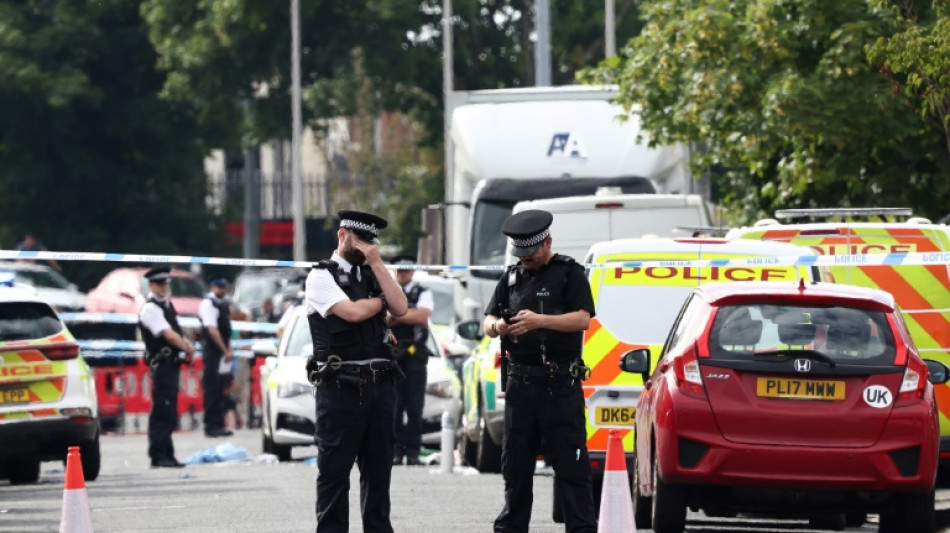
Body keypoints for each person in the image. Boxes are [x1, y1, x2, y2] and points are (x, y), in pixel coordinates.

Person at [483, 209, 597, 533]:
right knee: (515, 470)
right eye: (520, 254)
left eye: (530, 254)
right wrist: (500, 326)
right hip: (521, 386)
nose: (525, 260)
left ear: (547, 243)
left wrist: (541, 321)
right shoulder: (512, 277)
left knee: (571, 469)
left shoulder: (569, 273)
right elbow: (487, 322)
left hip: (558, 385)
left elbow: (582, 319)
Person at [305, 210, 408, 533]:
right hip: (341, 388)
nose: (363, 247)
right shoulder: (321, 276)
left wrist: (378, 264)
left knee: (378, 473)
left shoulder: (374, 273)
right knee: (334, 474)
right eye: (358, 240)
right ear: (342, 235)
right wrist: (379, 304)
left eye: (369, 241)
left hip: (380, 386)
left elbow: (401, 308)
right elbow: (350, 313)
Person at [138, 266, 196, 468]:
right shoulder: (151, 308)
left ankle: (167, 453)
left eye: (166, 283)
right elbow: (168, 334)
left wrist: (186, 347)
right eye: (160, 284)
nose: (164, 287)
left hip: (171, 365)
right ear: (151, 285)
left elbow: (175, 331)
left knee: (169, 410)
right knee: (162, 410)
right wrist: (187, 347)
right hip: (162, 365)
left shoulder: (165, 305)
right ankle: (158, 455)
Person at [387, 256, 434, 466]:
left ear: (413, 272)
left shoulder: (422, 291)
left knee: (415, 408)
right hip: (393, 355)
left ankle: (413, 451)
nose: (402, 274)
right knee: (394, 407)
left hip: (415, 355)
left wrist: (397, 315)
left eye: (406, 271)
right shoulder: (389, 290)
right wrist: (406, 314)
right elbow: (384, 318)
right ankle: (396, 451)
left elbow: (422, 318)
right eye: (399, 271)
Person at [197, 278, 234, 438]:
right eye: (219, 287)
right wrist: (224, 349)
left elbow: (226, 331)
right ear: (212, 287)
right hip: (213, 351)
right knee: (212, 388)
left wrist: (228, 349)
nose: (222, 290)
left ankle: (218, 424)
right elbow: (212, 330)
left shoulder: (223, 304)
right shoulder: (208, 304)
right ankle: (210, 425)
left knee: (220, 388)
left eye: (224, 288)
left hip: (221, 351)